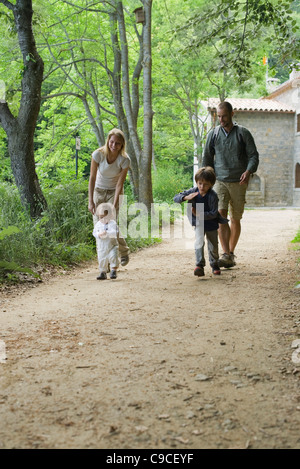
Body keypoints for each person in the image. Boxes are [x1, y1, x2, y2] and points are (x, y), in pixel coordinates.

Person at [202, 101, 259, 268]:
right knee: (221, 215)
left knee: (235, 218)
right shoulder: (213, 134)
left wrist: (248, 171)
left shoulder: (243, 133)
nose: (221, 119)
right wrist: (205, 182)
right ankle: (225, 254)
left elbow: (253, 156)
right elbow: (206, 159)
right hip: (219, 181)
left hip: (239, 182)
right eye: (218, 116)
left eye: (224, 116)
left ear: (232, 114)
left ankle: (231, 253)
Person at [174, 166, 228, 277]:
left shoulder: (212, 196)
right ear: (197, 182)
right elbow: (176, 198)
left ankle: (214, 264)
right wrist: (185, 197)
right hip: (199, 223)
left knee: (213, 245)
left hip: (211, 223)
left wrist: (199, 214)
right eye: (199, 183)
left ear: (211, 184)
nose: (202, 186)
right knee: (199, 242)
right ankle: (199, 265)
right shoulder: (193, 191)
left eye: (206, 184)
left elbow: (214, 213)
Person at [88, 128, 130, 267]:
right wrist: (90, 201)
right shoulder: (98, 155)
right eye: (112, 142)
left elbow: (119, 184)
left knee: (110, 226)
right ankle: (103, 263)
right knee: (99, 227)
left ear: (122, 145)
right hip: (98, 191)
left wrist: (114, 205)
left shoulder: (124, 160)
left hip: (114, 192)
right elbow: (92, 178)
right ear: (108, 141)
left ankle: (120, 254)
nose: (114, 145)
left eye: (117, 143)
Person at [93, 205, 119, 280]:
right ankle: (103, 272)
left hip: (112, 245)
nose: (103, 219)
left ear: (110, 216)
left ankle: (113, 271)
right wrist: (98, 235)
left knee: (113, 257)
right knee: (102, 259)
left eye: (105, 217)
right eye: (101, 217)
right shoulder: (98, 224)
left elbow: (115, 232)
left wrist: (107, 233)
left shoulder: (113, 223)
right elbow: (94, 233)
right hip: (102, 246)